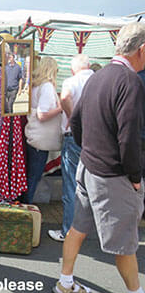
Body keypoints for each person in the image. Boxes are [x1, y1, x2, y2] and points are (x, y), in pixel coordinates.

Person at [52, 22, 145, 293]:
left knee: (77, 229)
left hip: (89, 165)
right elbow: (128, 137)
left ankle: (65, 282)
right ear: (142, 50)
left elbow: (76, 120)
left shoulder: (97, 77)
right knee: (125, 243)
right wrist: (135, 176)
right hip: (112, 173)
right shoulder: (130, 82)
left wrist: (87, 148)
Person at [48, 54, 93, 242]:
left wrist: (73, 118)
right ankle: (90, 230)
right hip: (97, 138)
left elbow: (65, 97)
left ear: (74, 69)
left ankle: (68, 231)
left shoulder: (71, 81)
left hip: (74, 136)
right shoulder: (99, 79)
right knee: (93, 184)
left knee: (71, 185)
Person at [24, 56, 63, 204]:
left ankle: (24, 206)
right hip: (41, 140)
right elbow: (42, 115)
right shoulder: (46, 87)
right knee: (34, 176)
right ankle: (26, 209)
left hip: (34, 136)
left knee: (31, 175)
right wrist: (61, 107)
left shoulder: (35, 86)